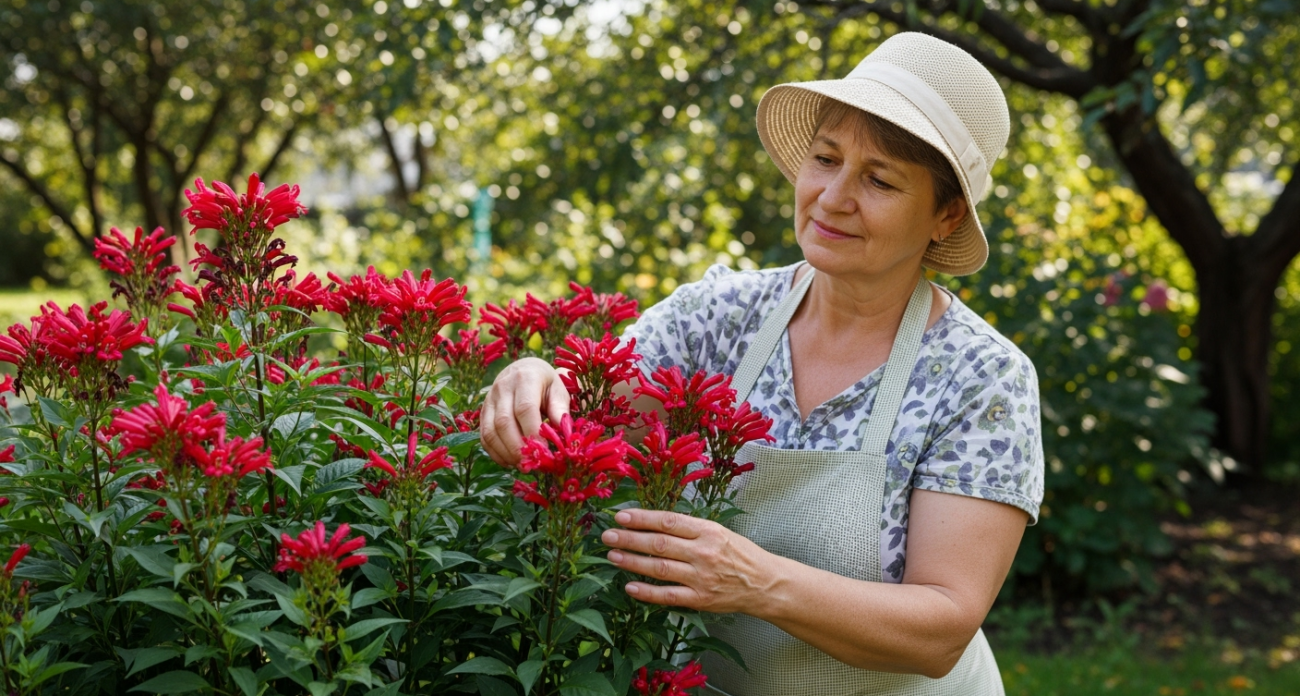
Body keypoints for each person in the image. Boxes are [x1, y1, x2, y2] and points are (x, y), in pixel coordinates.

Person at [480, 32, 1044, 696]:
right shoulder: (715, 318)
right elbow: (589, 416)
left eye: (879, 179)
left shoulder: (980, 379)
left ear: (945, 216)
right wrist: (537, 380)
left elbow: (941, 628)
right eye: (826, 158)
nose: (833, 196)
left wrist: (758, 582)